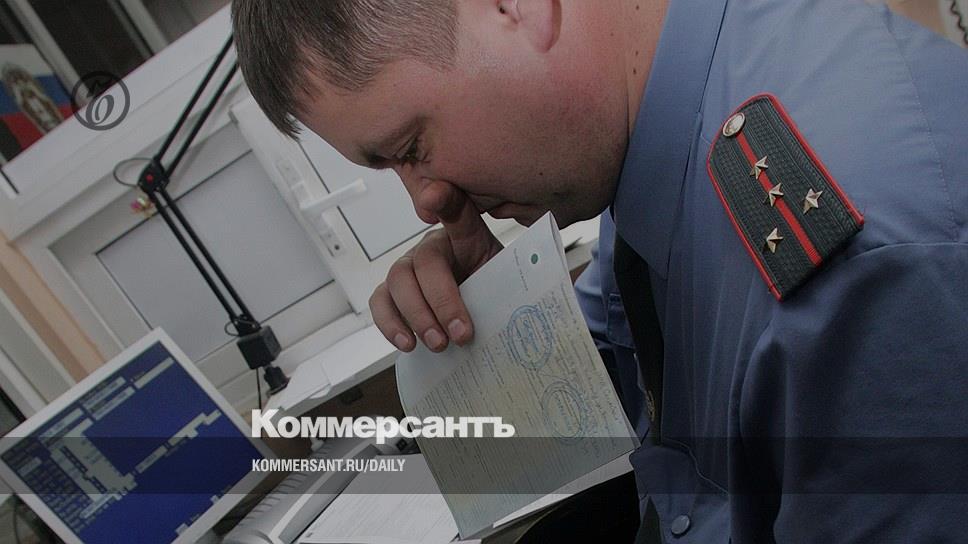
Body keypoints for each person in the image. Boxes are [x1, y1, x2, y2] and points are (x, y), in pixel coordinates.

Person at [231, 1, 968, 541]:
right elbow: (617, 408)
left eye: (410, 148)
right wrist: (497, 316)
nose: (425, 201)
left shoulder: (859, 270)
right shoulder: (647, 138)